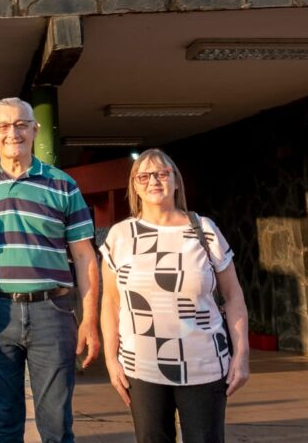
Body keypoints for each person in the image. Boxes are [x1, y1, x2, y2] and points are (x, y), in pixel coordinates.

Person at [0, 97, 100, 443]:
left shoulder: (64, 185)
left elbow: (84, 257)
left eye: (21, 124)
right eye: (3, 126)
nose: (12, 133)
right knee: (5, 423)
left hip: (54, 312)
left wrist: (89, 320)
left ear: (35, 129)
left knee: (57, 425)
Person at [99, 148, 249, 443]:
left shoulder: (204, 229)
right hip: (141, 366)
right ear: (135, 186)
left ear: (176, 181)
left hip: (203, 364)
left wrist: (241, 355)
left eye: (162, 173)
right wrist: (110, 357)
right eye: (144, 176)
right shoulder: (120, 236)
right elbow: (111, 302)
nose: (153, 180)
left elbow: (233, 297)